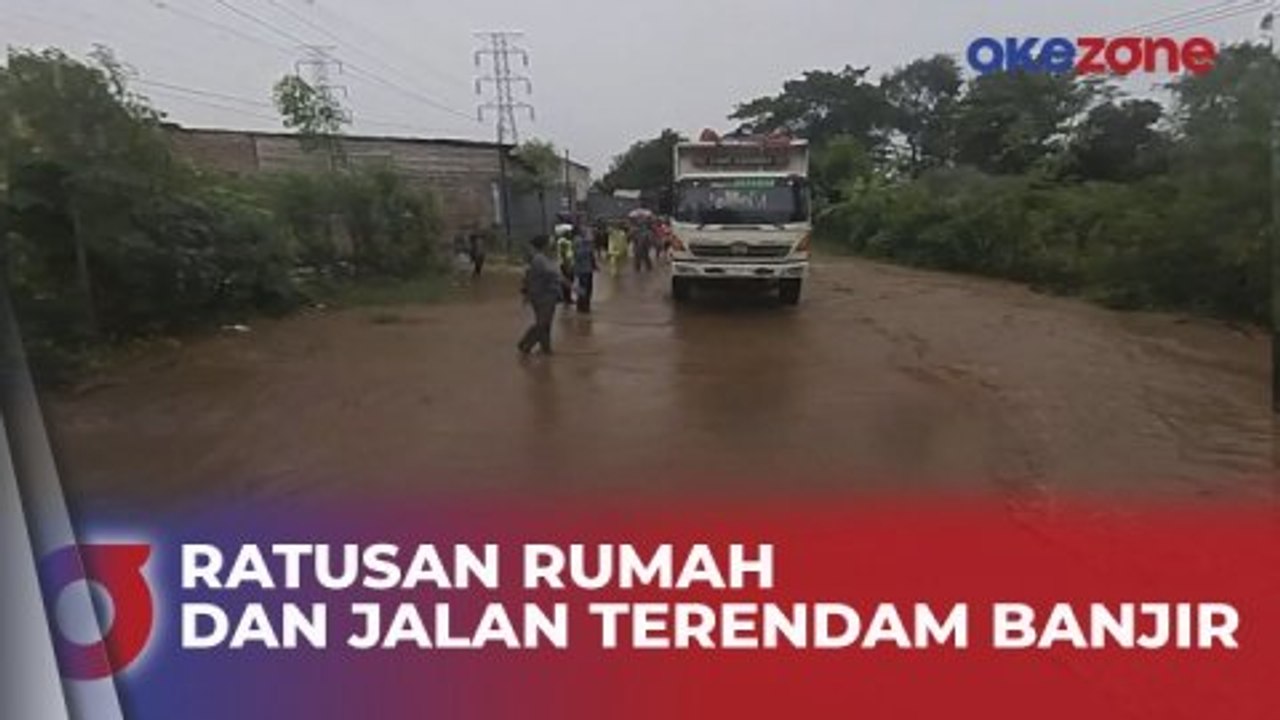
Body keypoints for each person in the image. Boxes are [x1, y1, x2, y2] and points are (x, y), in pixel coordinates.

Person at [518, 235, 568, 356]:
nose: (552, 244)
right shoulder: (540, 259)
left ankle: (545, 348)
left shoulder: (544, 258)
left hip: (544, 294)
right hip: (543, 295)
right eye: (550, 242)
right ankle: (525, 343)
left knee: (546, 323)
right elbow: (553, 274)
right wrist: (571, 285)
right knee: (543, 323)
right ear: (544, 245)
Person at [573, 226, 598, 313]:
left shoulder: (587, 243)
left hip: (588, 269)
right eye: (585, 231)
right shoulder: (578, 241)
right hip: (582, 269)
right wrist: (586, 244)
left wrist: (594, 265)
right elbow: (578, 255)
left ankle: (585, 304)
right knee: (584, 287)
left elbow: (591, 255)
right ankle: (582, 305)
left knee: (588, 287)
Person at [555, 225, 576, 305]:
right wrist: (567, 265)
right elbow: (564, 254)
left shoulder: (564, 241)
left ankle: (566, 297)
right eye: (568, 232)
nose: (570, 234)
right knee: (567, 280)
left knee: (568, 280)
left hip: (567, 263)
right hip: (566, 264)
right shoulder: (563, 242)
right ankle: (567, 298)